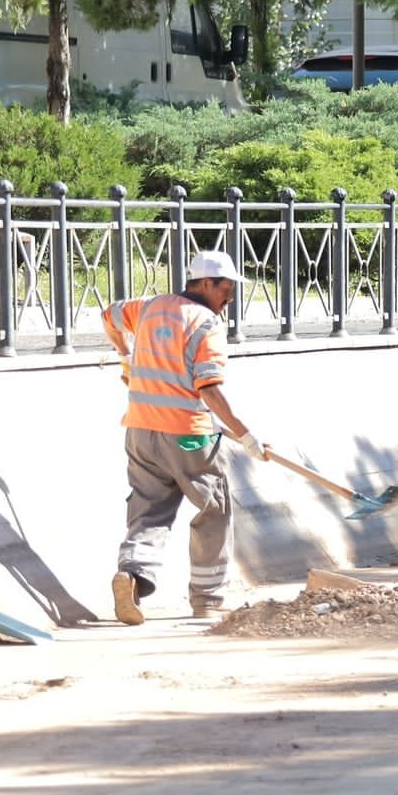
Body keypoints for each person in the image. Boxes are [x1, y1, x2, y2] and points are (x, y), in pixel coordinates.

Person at [101, 250, 265, 624]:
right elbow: (208, 388)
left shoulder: (149, 306)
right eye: (227, 288)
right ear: (205, 283)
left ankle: (131, 575)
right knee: (213, 509)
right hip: (189, 437)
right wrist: (247, 435)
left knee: (148, 509)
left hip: (141, 431)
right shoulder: (206, 323)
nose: (231, 297)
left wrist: (125, 355)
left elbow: (108, 315)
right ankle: (207, 598)